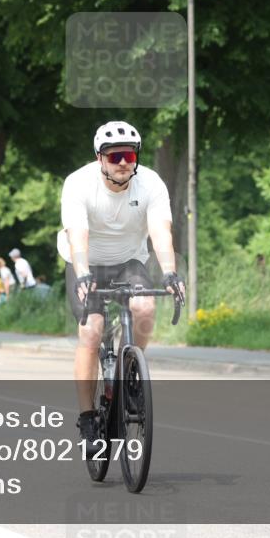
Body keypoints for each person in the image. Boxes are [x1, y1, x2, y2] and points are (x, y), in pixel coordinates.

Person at [59, 120, 185, 446]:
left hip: (129, 260)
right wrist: (84, 273)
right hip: (85, 262)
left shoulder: (151, 184)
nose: (123, 163)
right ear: (100, 158)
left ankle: (130, 377)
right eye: (114, 157)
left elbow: (160, 231)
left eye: (128, 155)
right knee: (92, 331)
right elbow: (78, 236)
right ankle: (87, 418)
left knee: (145, 307)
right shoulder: (79, 184)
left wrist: (170, 273)